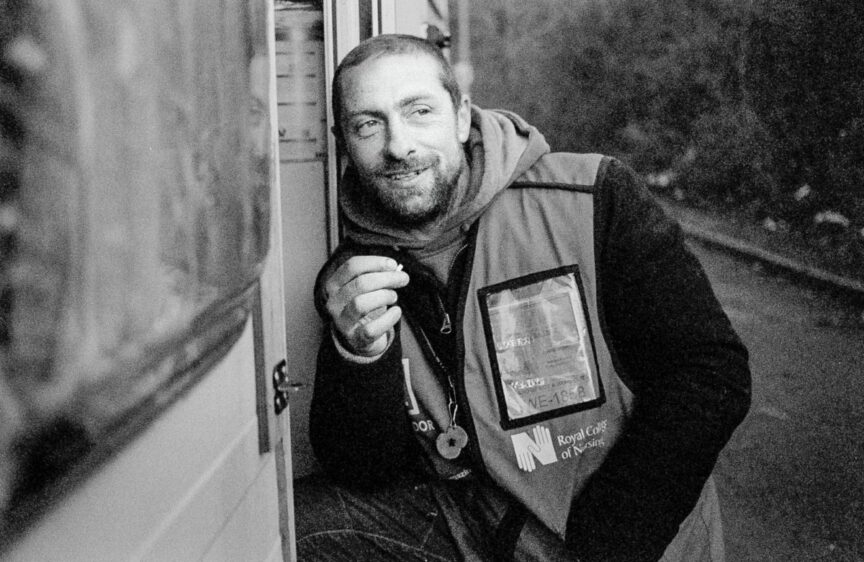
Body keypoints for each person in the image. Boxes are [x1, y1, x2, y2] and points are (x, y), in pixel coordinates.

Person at [295, 33, 751, 562]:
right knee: (292, 523)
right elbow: (363, 471)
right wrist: (358, 355)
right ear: (343, 141)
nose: (399, 146)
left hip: (616, 536)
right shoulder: (353, 277)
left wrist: (608, 543)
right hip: (471, 521)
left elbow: (710, 374)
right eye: (368, 124)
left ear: (462, 115)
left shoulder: (591, 199)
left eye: (419, 111)